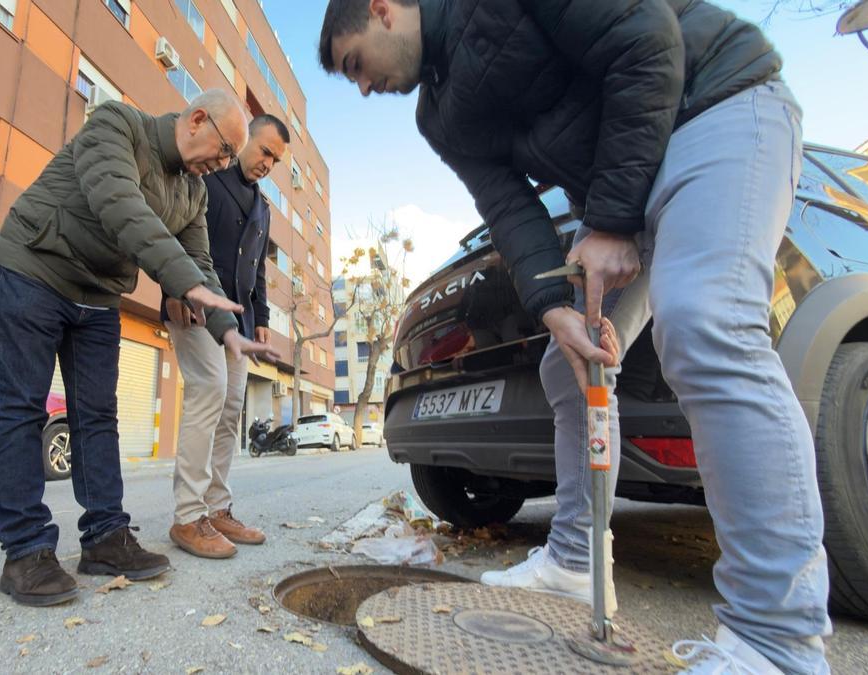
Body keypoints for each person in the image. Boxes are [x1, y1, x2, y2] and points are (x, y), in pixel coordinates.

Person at [318, 1, 828, 673]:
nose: (361, 87)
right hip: (625, 185)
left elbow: (647, 41)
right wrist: (551, 304)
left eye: (355, 64)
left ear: (383, 9)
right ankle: (576, 560)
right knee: (567, 367)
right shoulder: (436, 115)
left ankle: (777, 638)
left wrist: (612, 220)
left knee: (705, 321)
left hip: (713, 107)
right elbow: (508, 206)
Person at [0, 89, 278, 607]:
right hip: (35, 263)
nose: (225, 162)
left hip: (97, 290)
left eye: (232, 156)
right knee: (19, 408)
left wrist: (226, 330)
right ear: (196, 120)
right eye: (226, 148)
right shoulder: (118, 124)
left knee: (97, 414)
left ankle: (105, 537)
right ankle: (26, 549)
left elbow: (200, 264)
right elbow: (122, 207)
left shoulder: (194, 192)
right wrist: (187, 285)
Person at [164, 114, 289, 559]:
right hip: (195, 307)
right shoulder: (208, 176)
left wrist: (261, 316)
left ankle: (217, 508)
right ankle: (188, 515)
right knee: (209, 390)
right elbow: (176, 235)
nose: (268, 163)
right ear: (245, 138)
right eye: (266, 152)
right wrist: (174, 288)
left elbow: (257, 270)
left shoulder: (263, 208)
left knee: (231, 405)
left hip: (237, 320)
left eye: (276, 160)